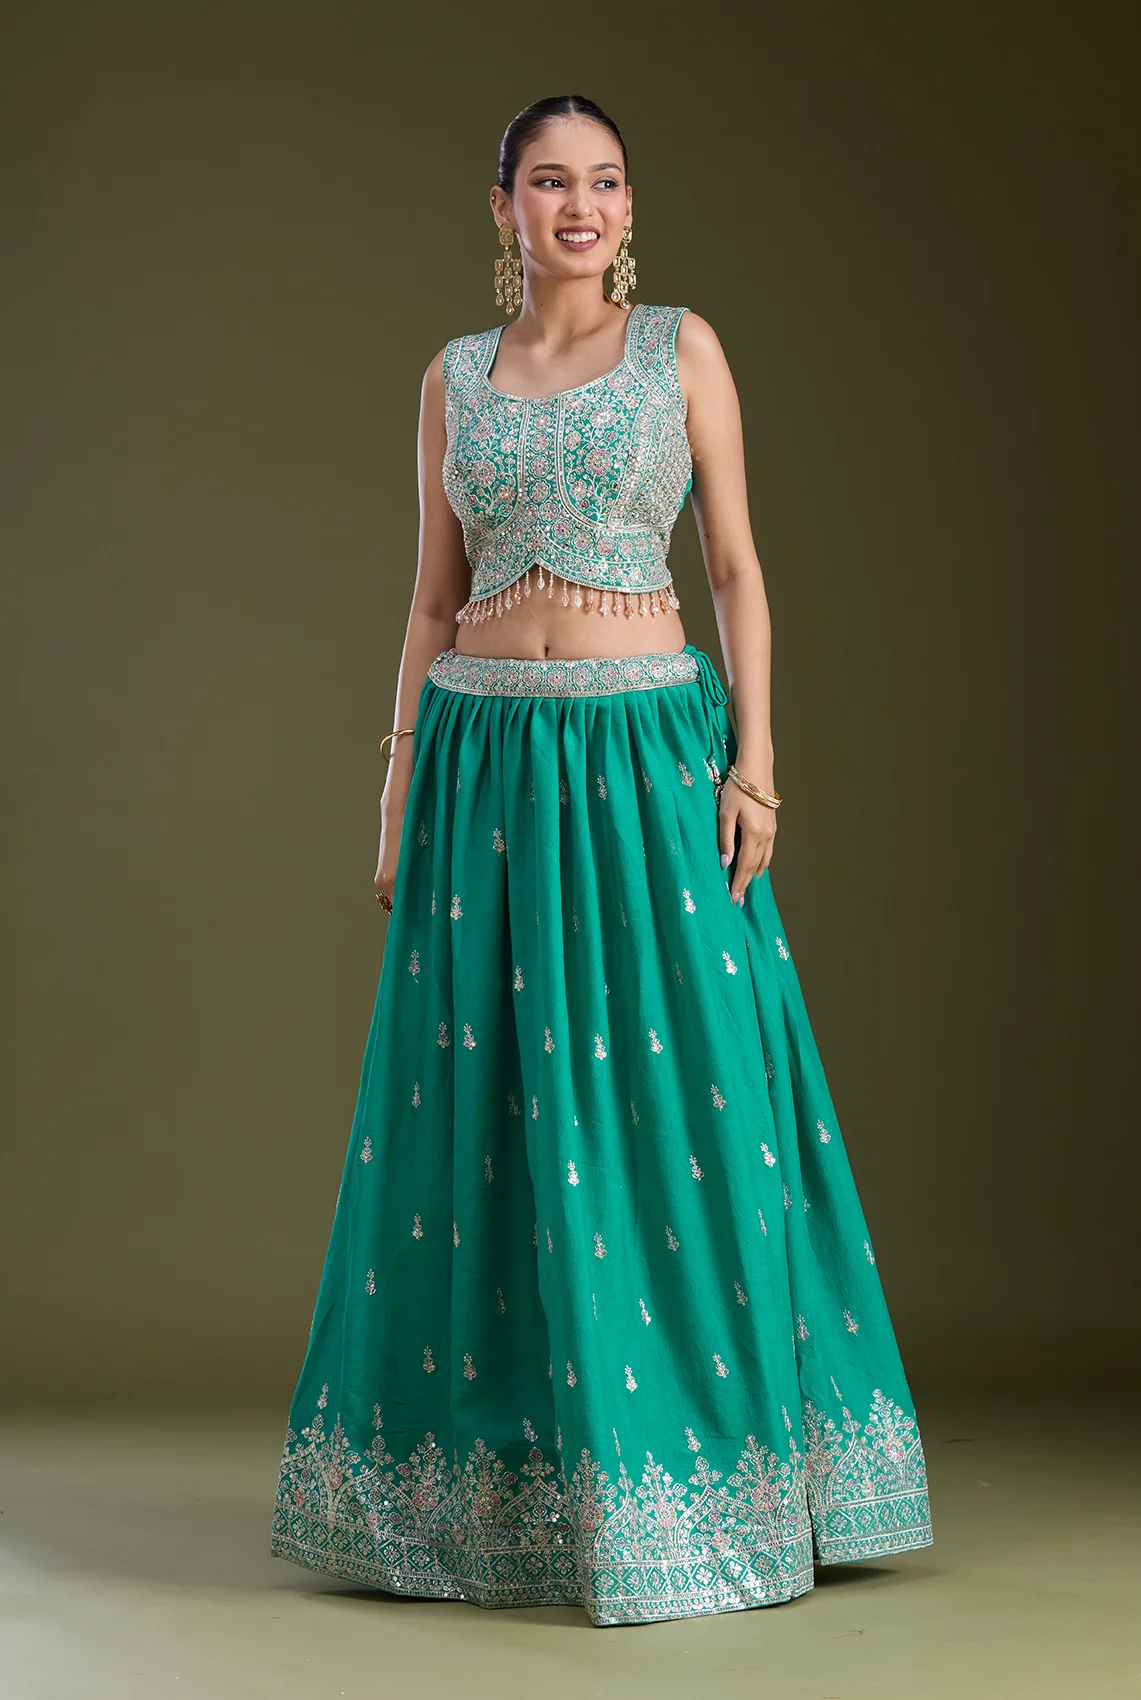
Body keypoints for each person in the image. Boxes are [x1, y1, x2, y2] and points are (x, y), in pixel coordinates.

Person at [269, 94, 932, 1628]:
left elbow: (737, 570)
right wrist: (396, 787)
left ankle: (706, 1476)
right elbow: (429, 602)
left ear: (630, 207)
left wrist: (756, 765)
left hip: (643, 757)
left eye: (607, 182)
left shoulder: (681, 351)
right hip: (484, 763)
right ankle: (507, 1492)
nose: (582, 205)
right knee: (488, 1106)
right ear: (503, 205)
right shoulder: (453, 378)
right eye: (552, 181)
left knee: (682, 1092)